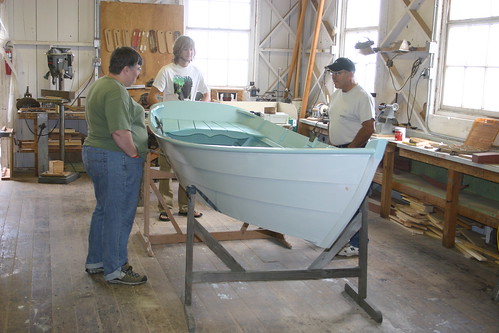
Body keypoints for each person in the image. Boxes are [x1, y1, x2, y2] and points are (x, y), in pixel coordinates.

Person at [82, 46, 148, 285]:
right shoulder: (116, 90)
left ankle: (97, 260)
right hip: (114, 156)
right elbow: (120, 133)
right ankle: (116, 268)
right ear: (127, 68)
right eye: (137, 69)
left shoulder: (100, 84)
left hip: (97, 153)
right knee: (119, 213)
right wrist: (133, 155)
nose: (138, 74)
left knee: (105, 209)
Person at [148, 35, 210, 221]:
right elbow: (153, 96)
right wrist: (164, 110)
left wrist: (201, 106)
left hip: (189, 126)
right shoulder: (167, 71)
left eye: (192, 49)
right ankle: (165, 207)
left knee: (187, 167)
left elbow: (207, 93)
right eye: (186, 49)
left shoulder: (196, 71)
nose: (189, 52)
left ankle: (186, 206)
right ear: (178, 51)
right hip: (169, 126)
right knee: (167, 167)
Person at [325, 57, 375, 257]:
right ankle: (341, 238)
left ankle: (357, 244)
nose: (333, 78)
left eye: (337, 74)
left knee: (355, 200)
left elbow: (369, 127)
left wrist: (352, 150)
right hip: (338, 152)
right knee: (341, 198)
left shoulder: (361, 96)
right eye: (332, 74)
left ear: (350, 74)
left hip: (353, 153)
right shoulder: (337, 94)